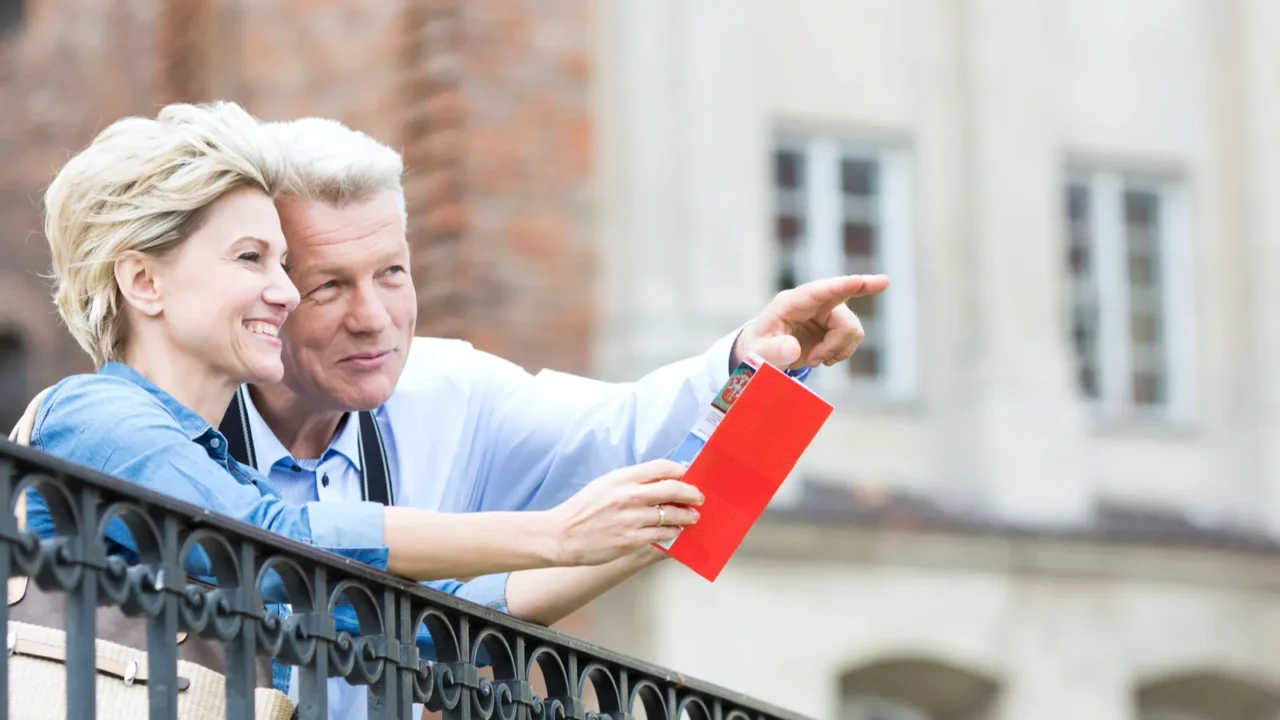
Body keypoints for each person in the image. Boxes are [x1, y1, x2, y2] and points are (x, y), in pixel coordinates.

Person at [19, 100, 706, 675]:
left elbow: (419, 630)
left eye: (285, 264)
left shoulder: (217, 472)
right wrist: (554, 534)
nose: (284, 292)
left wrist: (643, 536)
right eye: (251, 259)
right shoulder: (91, 418)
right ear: (143, 281)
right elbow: (274, 545)